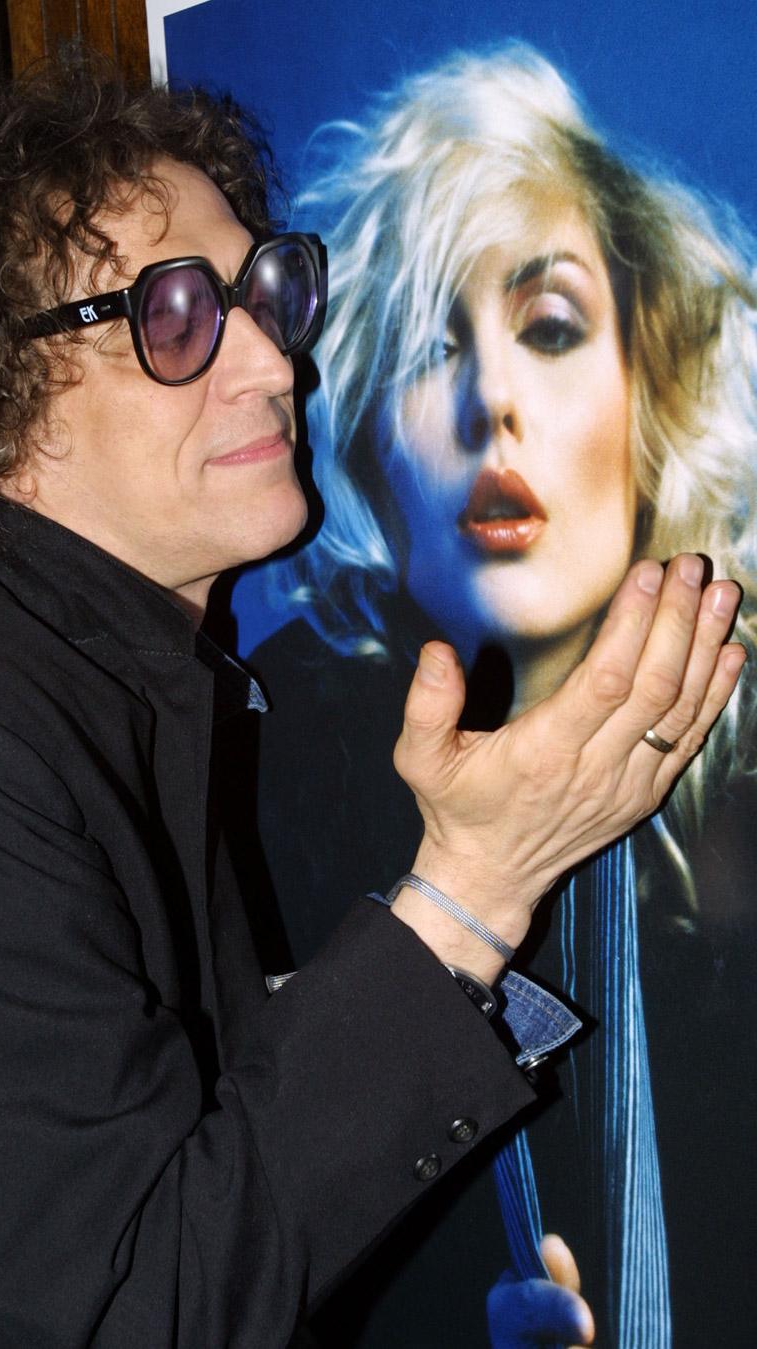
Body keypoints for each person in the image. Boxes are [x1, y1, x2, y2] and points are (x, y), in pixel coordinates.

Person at [0, 52, 742, 1349]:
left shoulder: (133, 680)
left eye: (270, 293)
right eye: (175, 315)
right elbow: (153, 1304)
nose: (276, 364)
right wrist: (471, 888)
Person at [248, 43, 757, 1348]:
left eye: (547, 326)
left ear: (651, 381)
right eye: (431, 348)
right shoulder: (259, 787)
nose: (492, 402)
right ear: (363, 430)